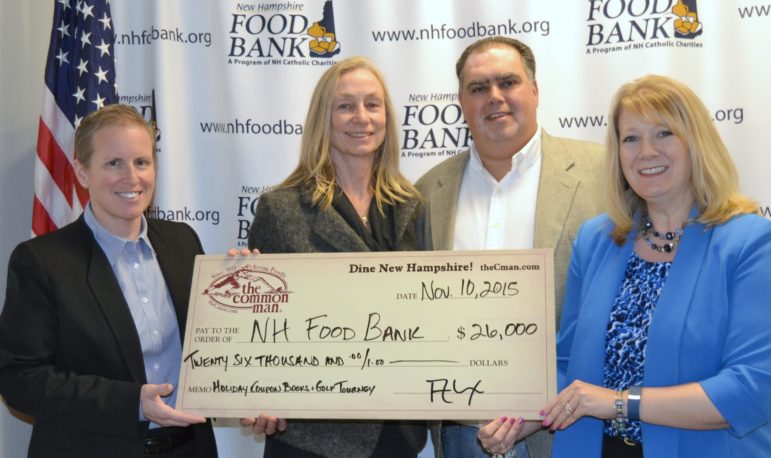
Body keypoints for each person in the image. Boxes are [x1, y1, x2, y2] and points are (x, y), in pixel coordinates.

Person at [482, 74, 771, 456]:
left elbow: (752, 386)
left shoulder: (750, 242)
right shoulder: (597, 239)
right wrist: (518, 421)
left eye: (664, 134)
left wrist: (618, 402)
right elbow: (568, 364)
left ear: (696, 143)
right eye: (631, 138)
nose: (646, 152)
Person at [415, 36, 604, 457]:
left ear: (534, 91)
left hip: (569, 426)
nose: (494, 97)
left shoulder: (604, 174)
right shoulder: (428, 192)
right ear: (461, 101)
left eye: (508, 82)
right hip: (463, 431)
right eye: (478, 88)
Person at [0, 104, 218, 457]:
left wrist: (243, 286)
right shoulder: (42, 261)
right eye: (113, 163)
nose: (131, 177)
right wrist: (133, 402)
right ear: (82, 173)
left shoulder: (183, 242)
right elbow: (20, 378)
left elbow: (213, 346)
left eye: (141, 162)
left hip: (189, 449)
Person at [243, 56, 427, 457]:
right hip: (313, 437)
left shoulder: (411, 205)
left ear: (388, 117)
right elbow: (257, 325)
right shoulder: (282, 208)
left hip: (398, 433)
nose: (361, 117)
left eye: (372, 104)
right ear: (322, 119)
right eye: (345, 106)